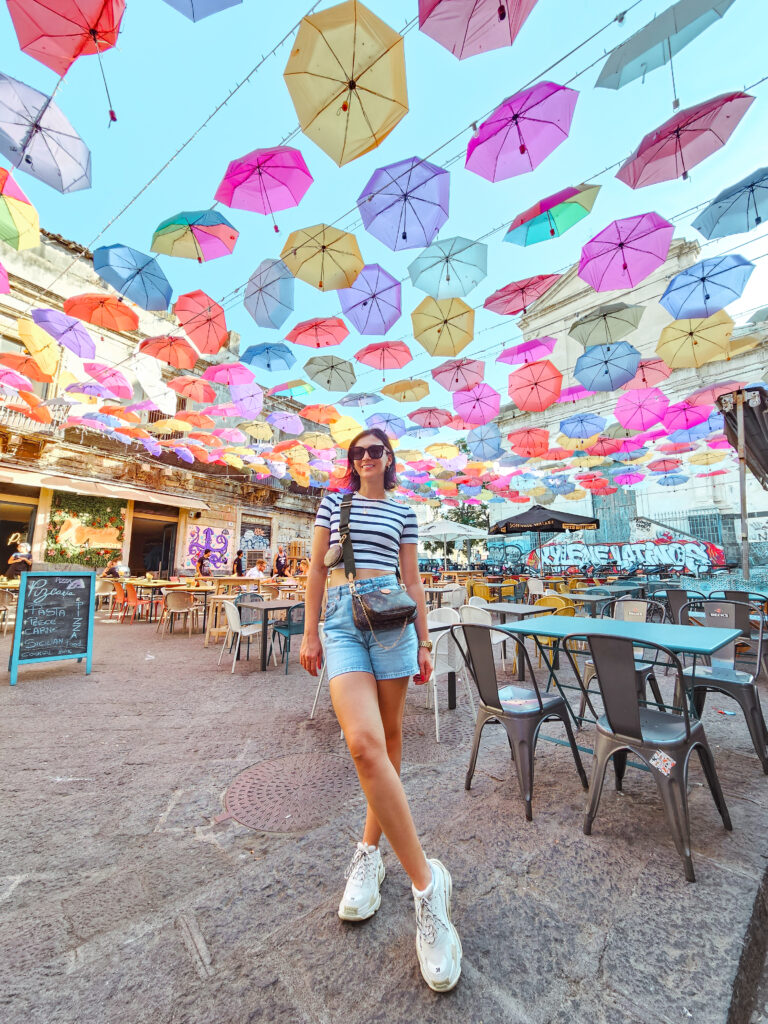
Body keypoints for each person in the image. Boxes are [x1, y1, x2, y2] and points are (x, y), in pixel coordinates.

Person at [300, 428, 461, 993]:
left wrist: (422, 640)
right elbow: (317, 568)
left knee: (389, 738)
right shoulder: (333, 502)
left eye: (376, 451)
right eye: (358, 453)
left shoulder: (404, 511)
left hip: (392, 621)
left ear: (389, 459)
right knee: (364, 743)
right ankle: (427, 884)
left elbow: (413, 578)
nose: (367, 458)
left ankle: (369, 852)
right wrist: (310, 630)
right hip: (343, 621)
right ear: (352, 463)